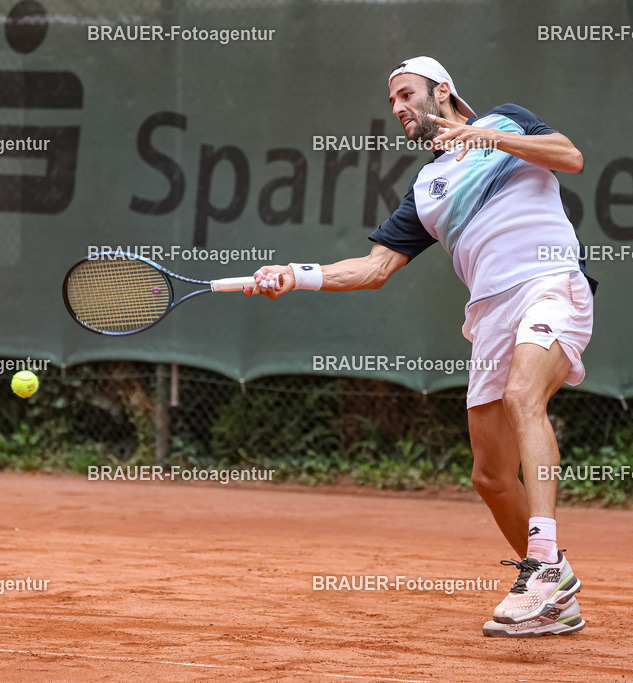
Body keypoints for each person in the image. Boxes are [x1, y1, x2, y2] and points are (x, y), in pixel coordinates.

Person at [245, 56, 596, 638]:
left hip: (549, 284)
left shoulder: (506, 121)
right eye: (392, 102)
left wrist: (484, 136)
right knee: (490, 476)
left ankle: (541, 563)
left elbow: (571, 157)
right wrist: (295, 274)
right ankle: (555, 590)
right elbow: (375, 267)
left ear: (443, 91)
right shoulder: (426, 189)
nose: (399, 107)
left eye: (407, 94)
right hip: (489, 314)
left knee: (523, 396)